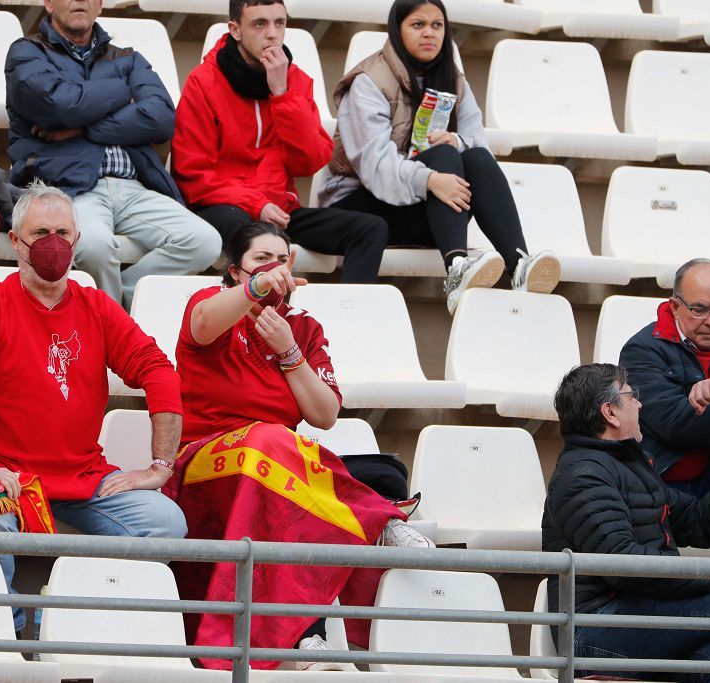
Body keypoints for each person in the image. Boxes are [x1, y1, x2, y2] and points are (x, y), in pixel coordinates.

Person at [162, 221, 433, 672]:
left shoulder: (302, 328)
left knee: (383, 472)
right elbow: (204, 326)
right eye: (259, 260)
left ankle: (307, 633)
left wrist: (289, 351)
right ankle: (377, 522)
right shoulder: (211, 305)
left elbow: (324, 414)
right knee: (270, 439)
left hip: (273, 463)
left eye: (280, 259)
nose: (273, 268)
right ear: (234, 272)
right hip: (205, 464)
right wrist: (256, 289)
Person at [0, 181, 188, 634]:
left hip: (84, 477)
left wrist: (161, 465)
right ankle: (7, 636)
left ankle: (68, 619)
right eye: (41, 233)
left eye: (64, 234)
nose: (54, 244)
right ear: (15, 241)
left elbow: (158, 370)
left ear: (77, 240)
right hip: (5, 473)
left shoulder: (97, 307)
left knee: (166, 521)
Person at [319, 0, 559, 313]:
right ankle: (457, 266)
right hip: (361, 210)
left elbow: (480, 149)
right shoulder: (368, 82)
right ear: (397, 29)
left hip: (423, 209)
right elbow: (377, 168)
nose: (429, 33)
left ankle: (519, 266)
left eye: (437, 25)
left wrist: (457, 143)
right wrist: (431, 179)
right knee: (444, 155)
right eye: (418, 25)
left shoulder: (454, 79)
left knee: (474, 158)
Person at [544, 363, 710, 682]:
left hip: (636, 613)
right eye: (631, 395)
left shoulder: (628, 466)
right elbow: (623, 564)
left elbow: (698, 524)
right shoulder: (582, 475)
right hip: (592, 631)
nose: (639, 403)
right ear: (610, 412)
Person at [4, 0, 221, 309]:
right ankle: (110, 327)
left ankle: (121, 303)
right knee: (92, 245)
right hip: (69, 186)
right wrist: (123, 92)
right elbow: (60, 106)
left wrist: (81, 128)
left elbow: (161, 118)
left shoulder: (128, 58)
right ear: (49, 3)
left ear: (101, 5)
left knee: (205, 242)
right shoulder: (27, 52)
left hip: (133, 187)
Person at [171, 0, 388, 283]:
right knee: (251, 234)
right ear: (235, 30)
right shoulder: (203, 82)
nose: (272, 33)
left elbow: (310, 161)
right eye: (259, 24)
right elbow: (192, 174)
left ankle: (352, 318)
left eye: (279, 23)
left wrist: (283, 94)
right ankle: (247, 319)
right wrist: (255, 204)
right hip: (224, 207)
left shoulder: (296, 81)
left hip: (279, 211)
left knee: (370, 228)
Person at [620, 258, 710, 559]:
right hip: (669, 491)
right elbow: (676, 424)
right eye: (699, 309)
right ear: (675, 306)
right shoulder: (642, 350)